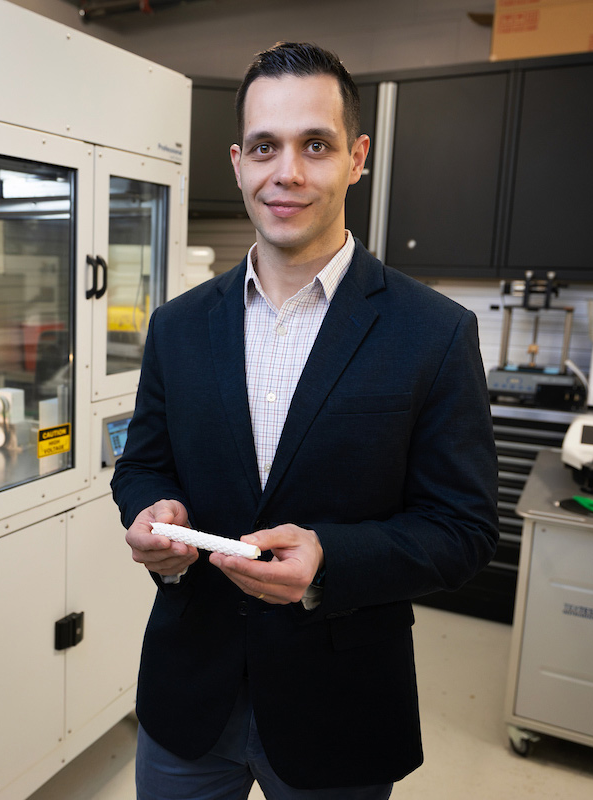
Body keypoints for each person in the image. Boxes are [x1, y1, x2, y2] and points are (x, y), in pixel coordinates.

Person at [111, 42, 498, 799]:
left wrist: (330, 560)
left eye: (313, 145)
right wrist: (148, 512)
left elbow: (464, 528)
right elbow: (142, 463)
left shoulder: (434, 332)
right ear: (237, 162)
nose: (285, 172)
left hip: (340, 704)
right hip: (190, 694)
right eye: (265, 147)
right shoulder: (180, 325)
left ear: (356, 158)